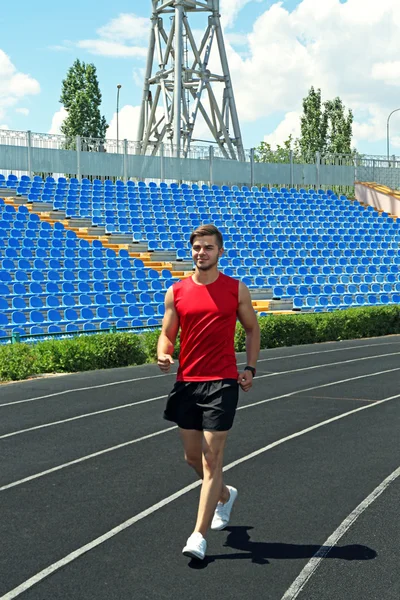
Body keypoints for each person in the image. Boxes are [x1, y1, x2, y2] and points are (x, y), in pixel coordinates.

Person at [157, 224, 260, 560]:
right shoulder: (176, 291)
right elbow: (167, 333)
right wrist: (163, 351)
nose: (202, 253)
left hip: (222, 383)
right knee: (191, 458)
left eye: (208, 248)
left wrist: (250, 368)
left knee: (211, 459)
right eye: (197, 248)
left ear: (220, 252)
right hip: (187, 383)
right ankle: (224, 495)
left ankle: (198, 535)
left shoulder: (235, 289)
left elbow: (252, 330)